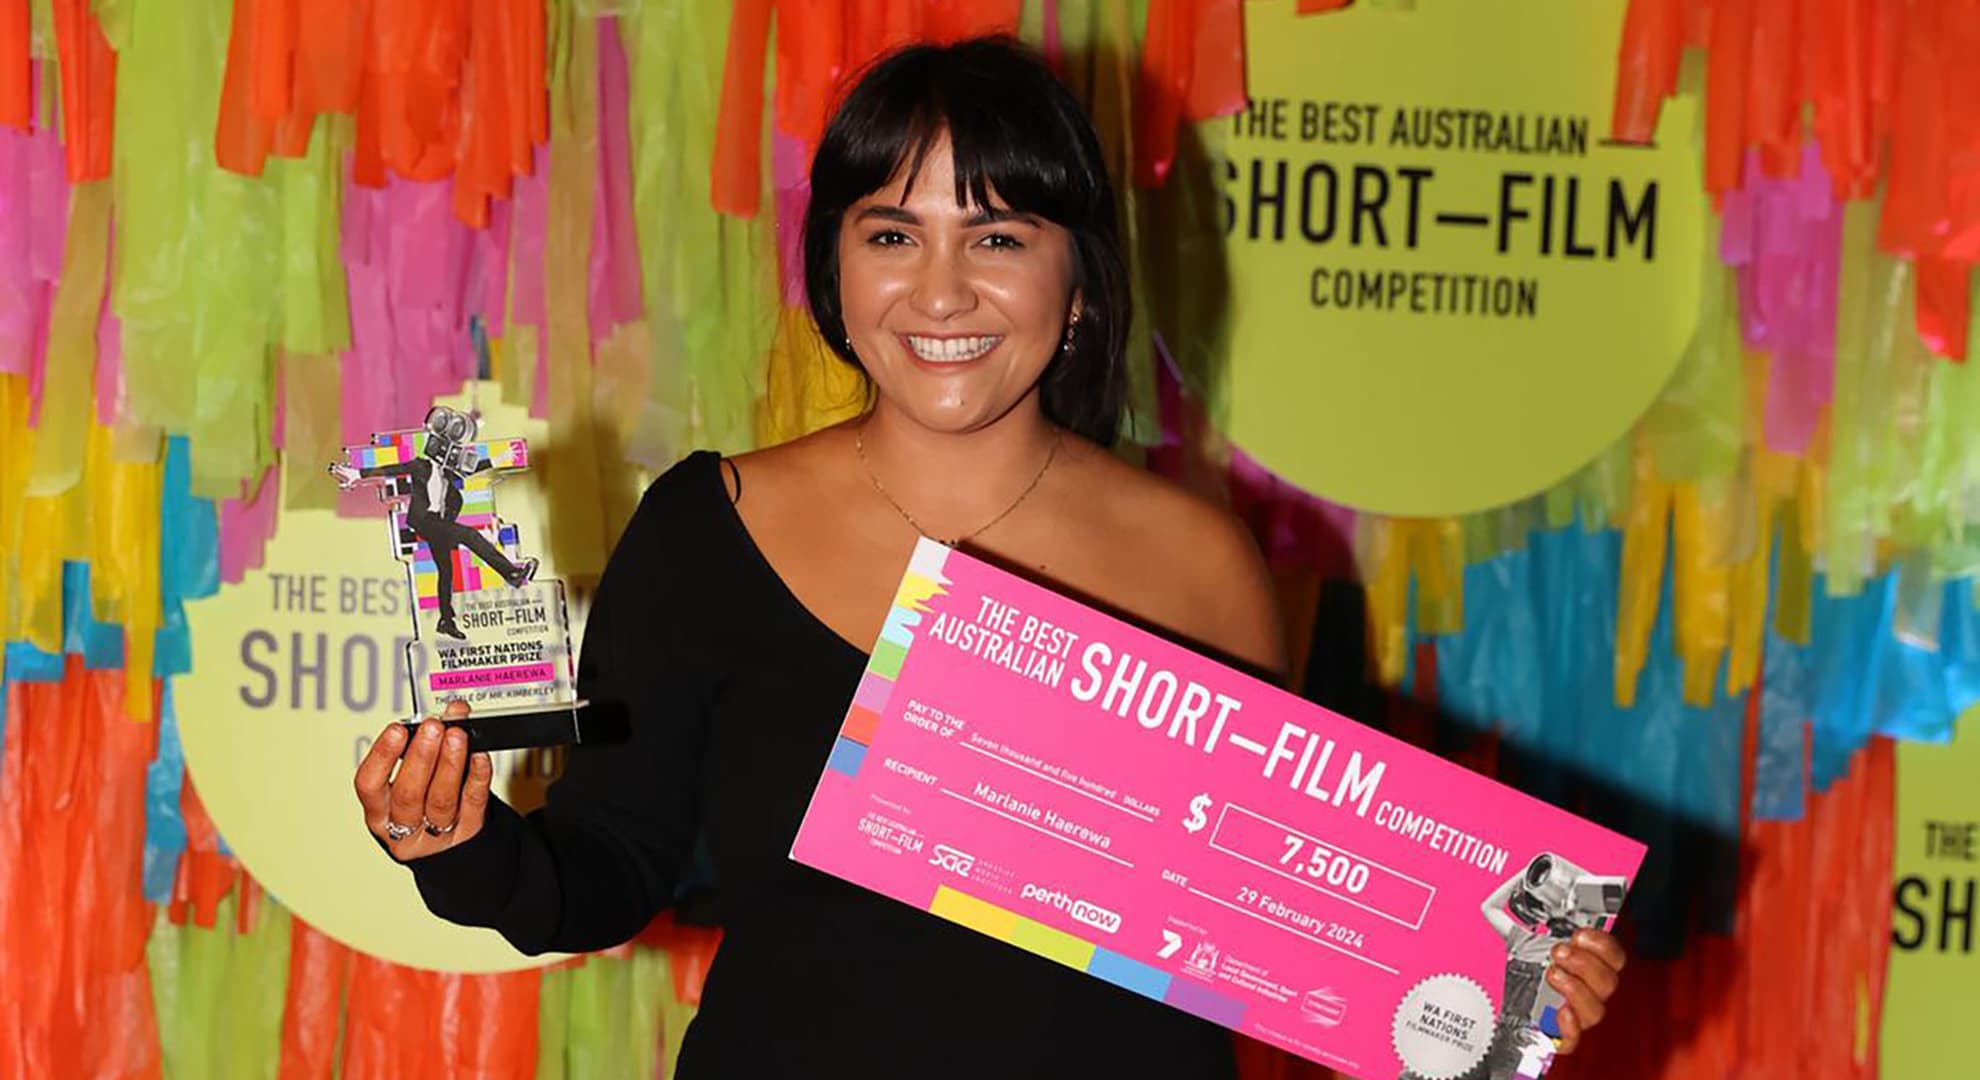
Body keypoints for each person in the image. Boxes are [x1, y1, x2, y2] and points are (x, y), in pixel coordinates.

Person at [353, 38, 1625, 1078]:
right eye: (893, 234)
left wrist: (1513, 987)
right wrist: (462, 849)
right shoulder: (711, 530)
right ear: (834, 270)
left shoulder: (1201, 563)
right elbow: (606, 867)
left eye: (1002, 237)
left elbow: (1303, 926)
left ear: (1078, 286)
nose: (943, 291)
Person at [331, 406, 539, 640]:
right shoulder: (420, 465)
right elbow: (392, 469)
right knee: (469, 535)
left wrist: (499, 458)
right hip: (425, 521)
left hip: (437, 524)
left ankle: (446, 621)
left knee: (445, 571)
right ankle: (512, 574)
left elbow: (470, 469)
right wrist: (357, 475)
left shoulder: (447, 472)